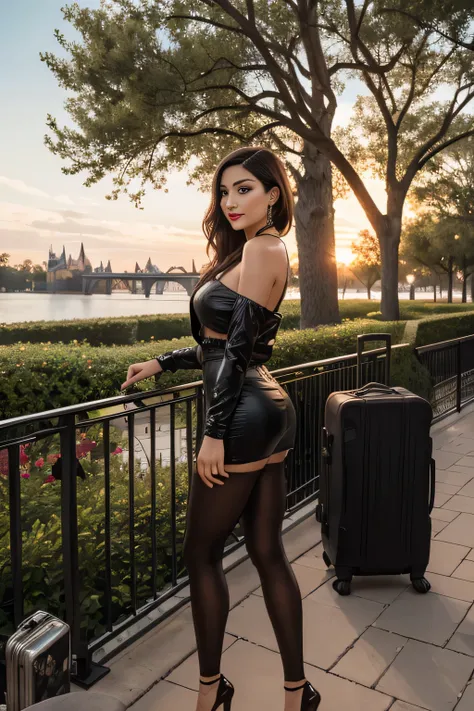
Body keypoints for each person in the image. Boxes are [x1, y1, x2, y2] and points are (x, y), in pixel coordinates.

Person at [121, 147, 321, 711]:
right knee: (268, 552)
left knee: (200, 555)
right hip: (268, 411)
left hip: (242, 415)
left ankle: (211, 692)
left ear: (273, 194)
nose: (231, 202)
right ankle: (295, 695)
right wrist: (163, 362)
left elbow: (235, 352)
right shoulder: (254, 252)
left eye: (245, 190)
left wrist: (214, 432)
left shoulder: (262, 247)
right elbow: (224, 342)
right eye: (225, 191)